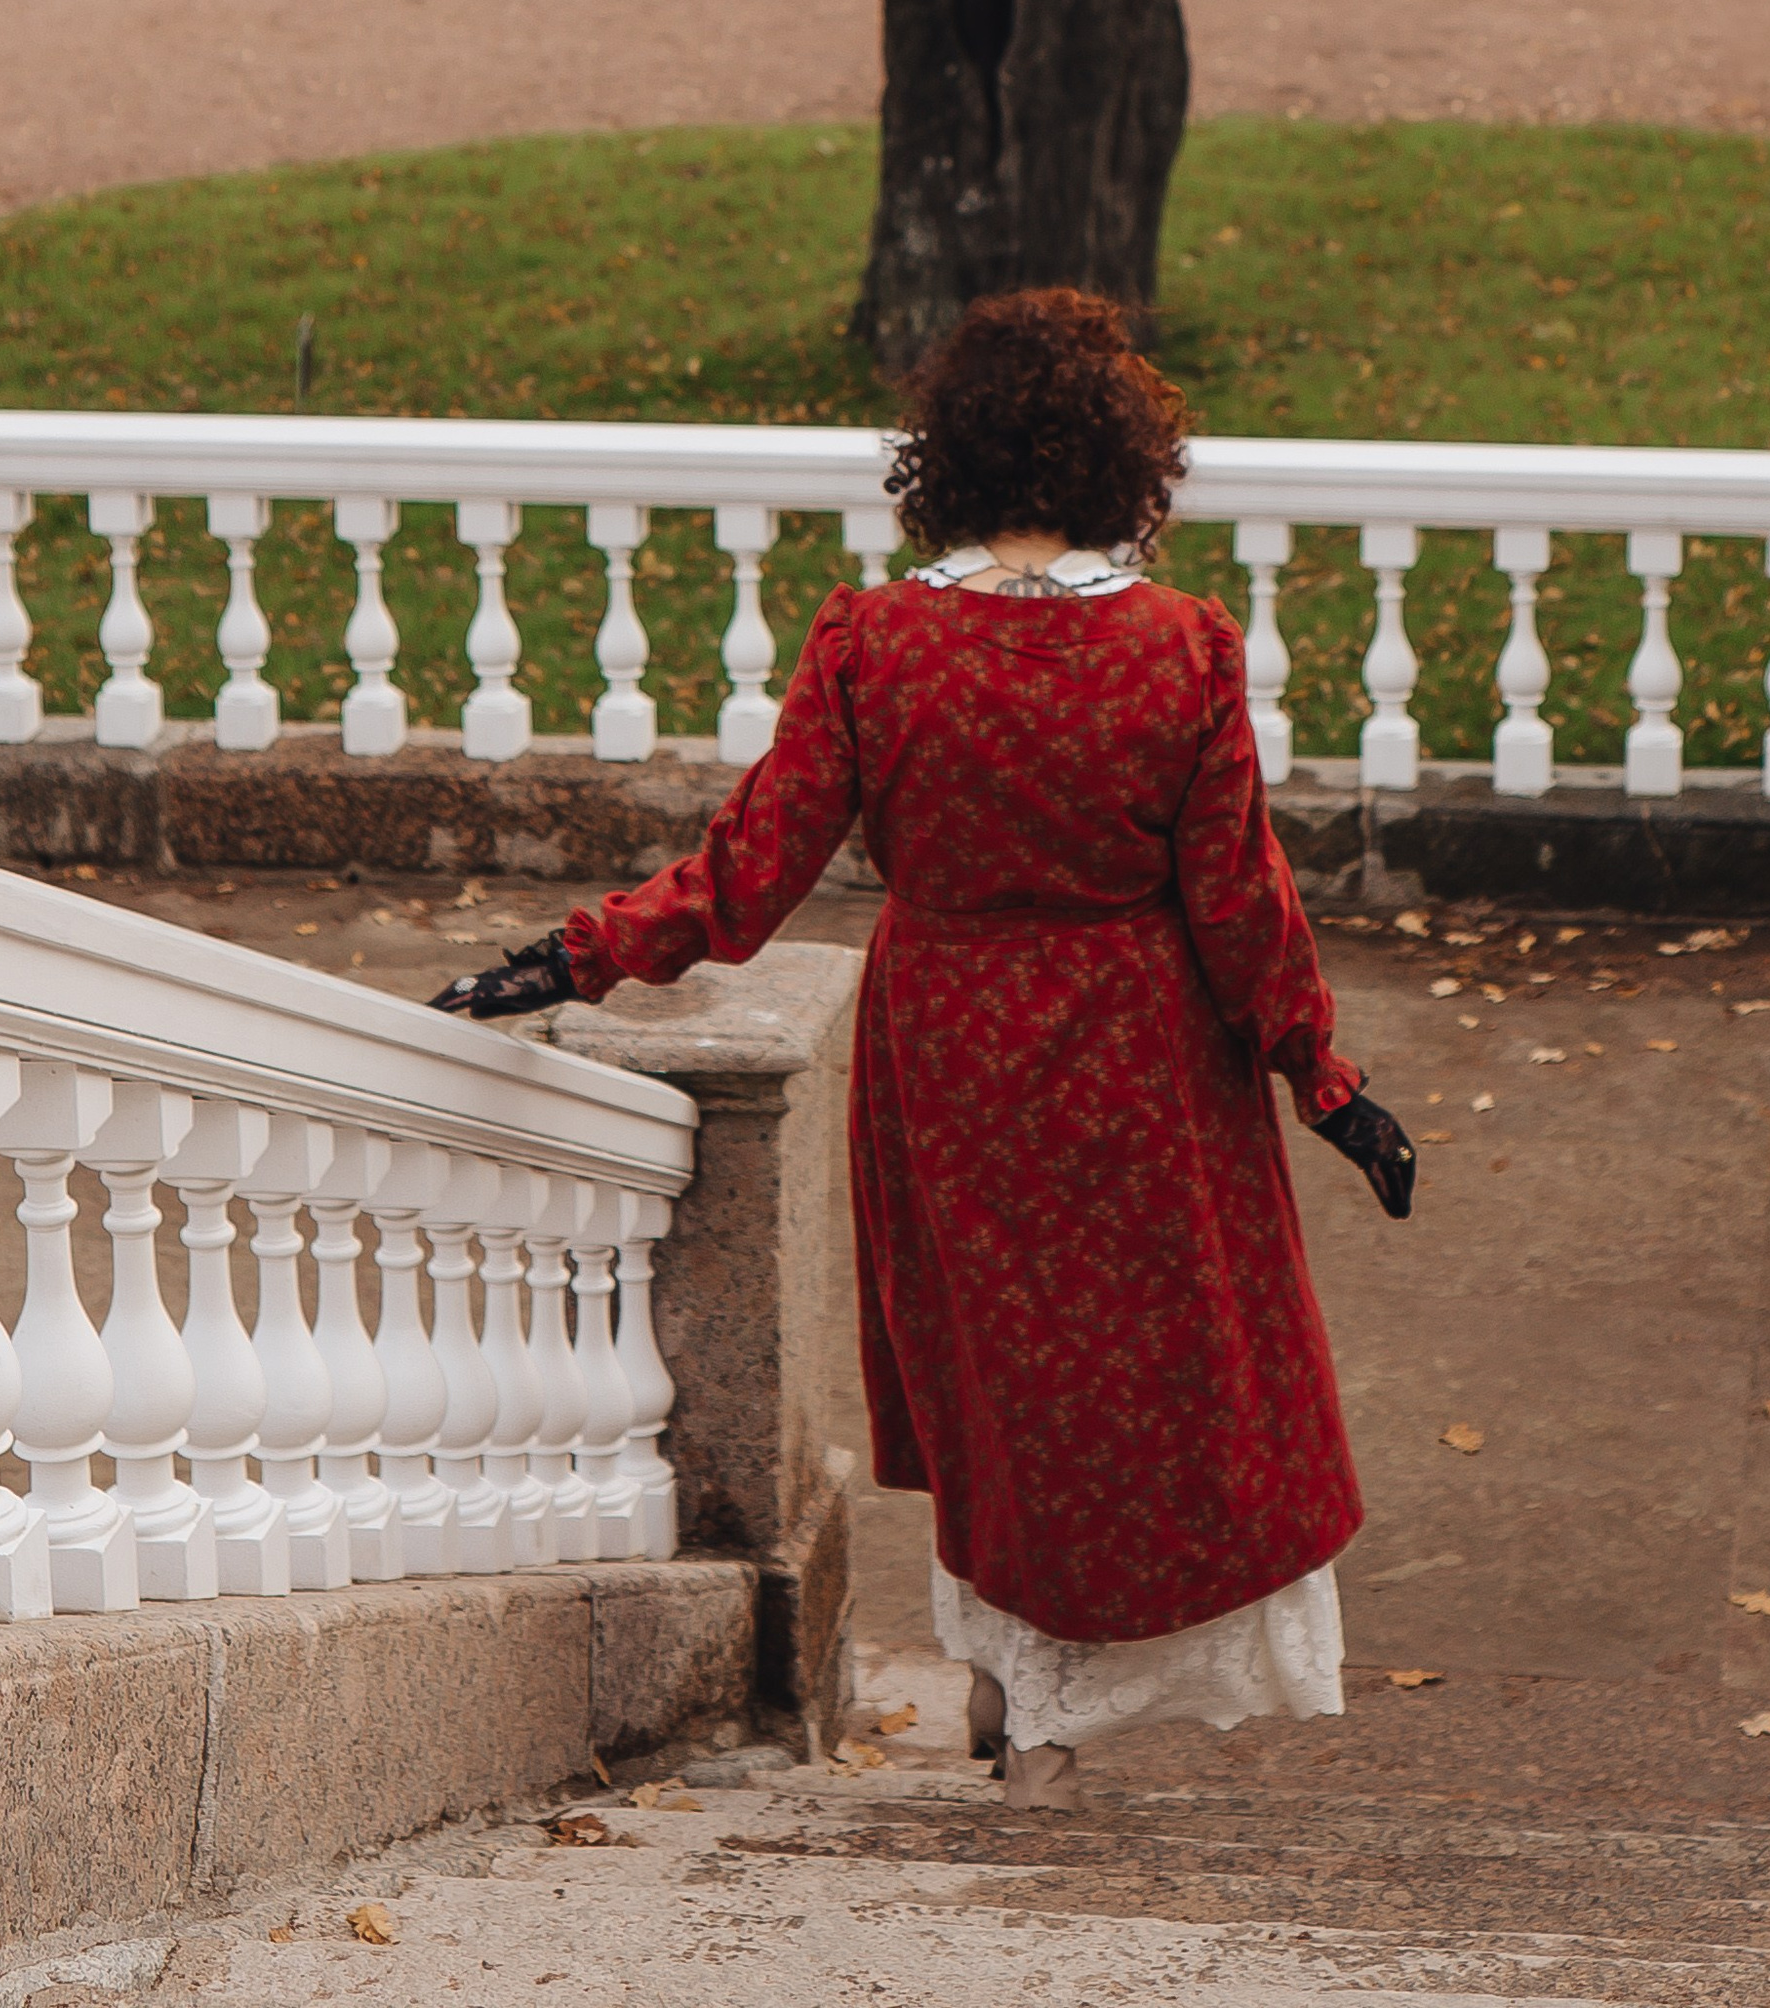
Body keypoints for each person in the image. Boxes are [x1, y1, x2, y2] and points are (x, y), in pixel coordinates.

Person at [436, 285, 1415, 1808]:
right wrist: (1323, 1080)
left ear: (941, 456)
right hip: (1142, 1052)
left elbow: (748, 868)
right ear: (1124, 464)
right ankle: (1072, 1699)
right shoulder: (1182, 650)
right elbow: (1240, 910)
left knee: (1003, 1380)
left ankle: (1012, 1700)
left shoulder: (878, 642)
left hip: (952, 1050)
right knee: (1162, 1363)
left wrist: (582, 952)